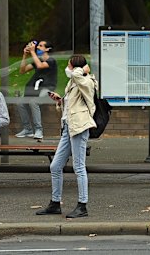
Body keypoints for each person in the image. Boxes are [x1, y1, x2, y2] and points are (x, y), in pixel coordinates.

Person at [36, 55, 98, 218]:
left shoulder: (87, 81)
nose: (67, 68)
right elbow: (73, 103)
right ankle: (55, 203)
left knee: (79, 166)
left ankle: (82, 205)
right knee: (55, 166)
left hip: (79, 127)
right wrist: (60, 100)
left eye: (69, 65)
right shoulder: (75, 81)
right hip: (68, 127)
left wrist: (82, 70)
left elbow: (79, 78)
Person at [16, 40, 57, 140]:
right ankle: (27, 129)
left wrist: (33, 51)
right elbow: (22, 70)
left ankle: (39, 130)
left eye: (41, 46)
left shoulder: (51, 61)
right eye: (38, 46)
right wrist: (25, 55)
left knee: (34, 102)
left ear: (47, 49)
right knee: (20, 102)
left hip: (47, 89)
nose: (38, 47)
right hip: (36, 88)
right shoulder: (37, 60)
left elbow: (40, 66)